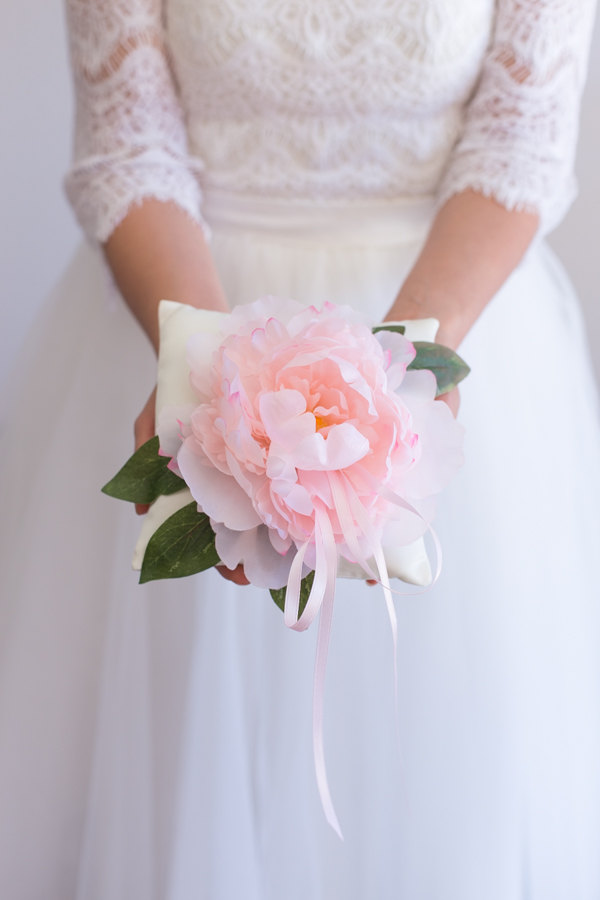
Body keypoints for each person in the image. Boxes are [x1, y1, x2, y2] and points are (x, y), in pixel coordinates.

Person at [1, 1, 600, 897]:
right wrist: (206, 383)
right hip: (190, 307)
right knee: (179, 756)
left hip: (447, 321)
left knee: (442, 769)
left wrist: (391, 389)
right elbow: (129, 133)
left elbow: (521, 131)